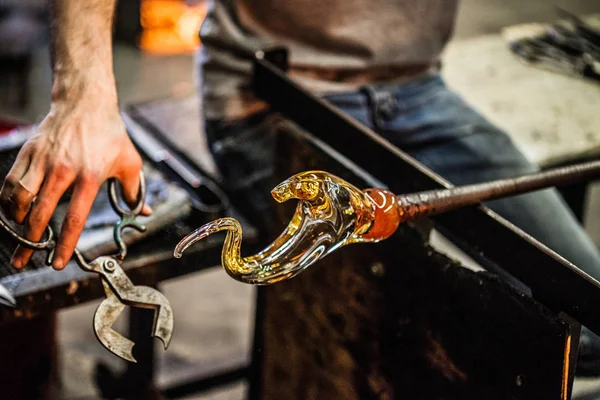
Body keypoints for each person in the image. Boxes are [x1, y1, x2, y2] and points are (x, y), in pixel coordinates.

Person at [1, 0, 599, 378]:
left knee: (582, 323)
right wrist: (83, 96)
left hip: (418, 88)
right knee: (412, 336)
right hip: (268, 95)